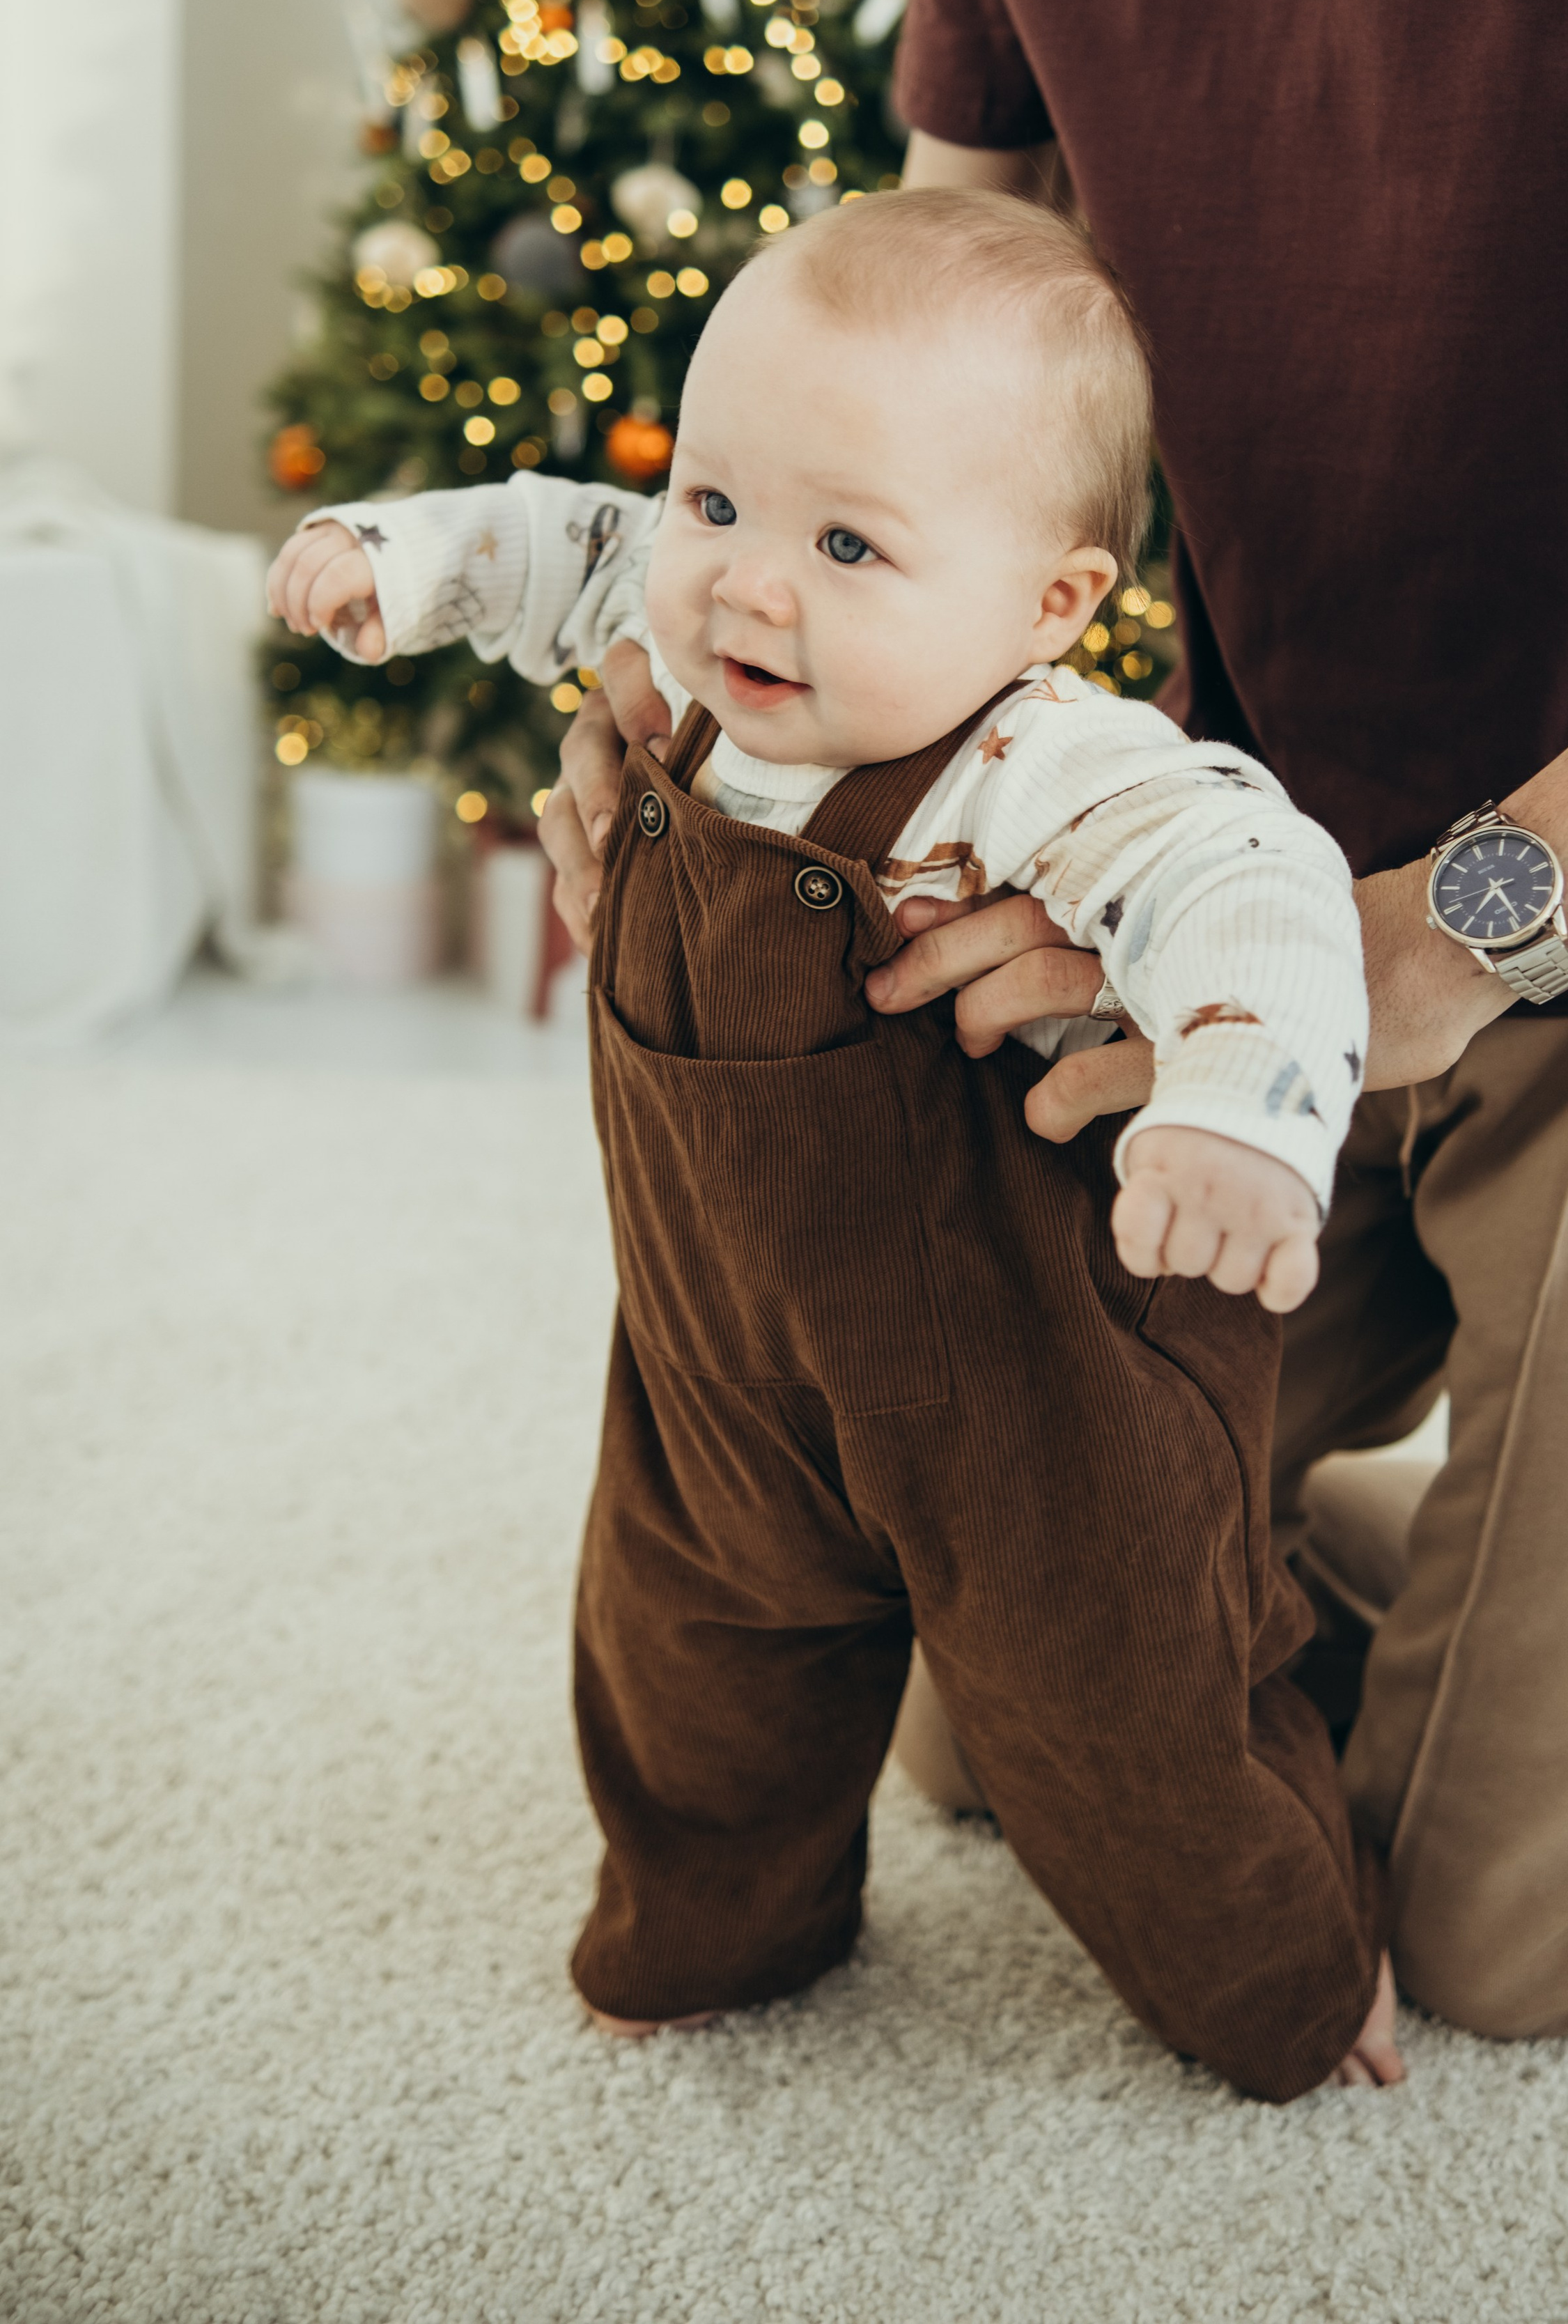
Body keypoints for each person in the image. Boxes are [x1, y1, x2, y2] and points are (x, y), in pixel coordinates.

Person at [545, 0, 1568, 2046]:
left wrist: (1459, 929)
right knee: (1003, 1689)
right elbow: (936, 314)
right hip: (1245, 880)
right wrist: (719, 672)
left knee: (1500, 1926)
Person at [268, 188, 1404, 2099]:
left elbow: (1248, 875)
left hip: (1031, 1395)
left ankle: (1290, 1977)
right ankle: (721, 1928)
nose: (742, 587)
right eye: (719, 498)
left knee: (1123, 1718)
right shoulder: (690, 646)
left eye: (850, 542)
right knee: (689, 1648)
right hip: (720, 1353)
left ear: (1052, 605)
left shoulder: (1038, 756)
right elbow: (570, 540)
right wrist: (402, 557)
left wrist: (1236, 1106)